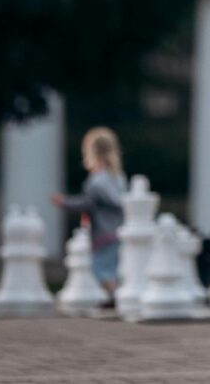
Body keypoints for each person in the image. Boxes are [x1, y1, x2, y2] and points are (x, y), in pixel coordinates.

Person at [51, 127, 127, 306]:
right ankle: (113, 296)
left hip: (103, 232)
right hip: (119, 230)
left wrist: (64, 202)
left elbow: (87, 203)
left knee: (99, 268)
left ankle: (115, 296)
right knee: (111, 267)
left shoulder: (96, 180)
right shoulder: (118, 177)